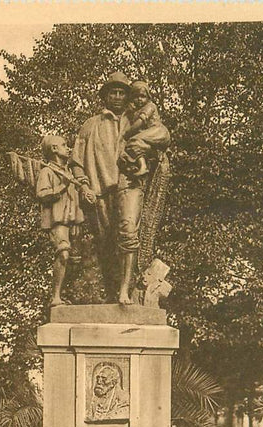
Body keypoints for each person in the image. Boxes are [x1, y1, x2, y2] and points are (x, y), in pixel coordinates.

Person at [70, 72, 144, 305]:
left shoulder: (137, 121)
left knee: (129, 234)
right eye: (113, 92)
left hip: (129, 186)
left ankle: (126, 291)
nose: (118, 97)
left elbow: (158, 143)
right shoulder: (90, 125)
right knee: (105, 244)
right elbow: (76, 162)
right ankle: (113, 294)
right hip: (100, 191)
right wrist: (83, 185)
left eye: (122, 92)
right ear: (105, 96)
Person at [35, 134, 85, 306]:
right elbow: (41, 194)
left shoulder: (68, 172)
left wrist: (78, 221)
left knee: (74, 260)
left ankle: (66, 294)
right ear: (54, 149)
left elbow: (75, 199)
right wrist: (63, 186)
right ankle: (55, 297)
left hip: (72, 221)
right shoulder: (47, 171)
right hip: (57, 221)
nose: (68, 148)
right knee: (63, 254)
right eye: (64, 145)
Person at [121, 80, 170, 177]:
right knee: (133, 143)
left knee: (133, 139)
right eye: (136, 96)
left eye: (142, 96)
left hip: (159, 132)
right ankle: (143, 166)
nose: (139, 99)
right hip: (150, 136)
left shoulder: (150, 106)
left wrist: (126, 133)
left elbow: (140, 123)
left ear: (148, 97)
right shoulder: (135, 111)